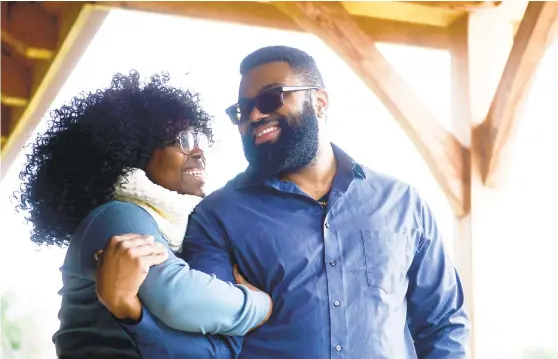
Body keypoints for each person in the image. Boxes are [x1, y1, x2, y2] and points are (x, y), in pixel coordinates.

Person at [98, 46, 471, 359]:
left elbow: (443, 323)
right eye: (242, 111)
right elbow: (209, 345)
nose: (254, 116)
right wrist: (130, 311)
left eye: (271, 98)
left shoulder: (402, 202)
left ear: (320, 102)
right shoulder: (218, 217)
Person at [16, 70, 272, 359]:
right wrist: (260, 303)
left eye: (198, 138)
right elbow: (179, 299)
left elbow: (209, 351)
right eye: (182, 140)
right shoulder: (116, 216)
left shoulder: (176, 229)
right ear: (134, 153)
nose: (199, 150)